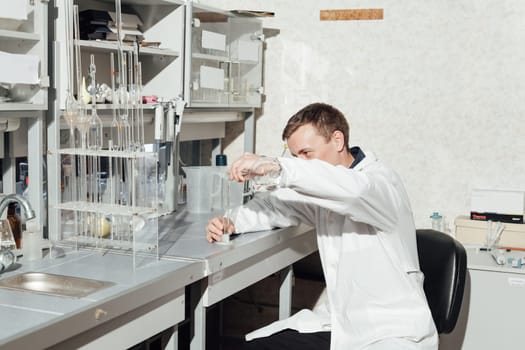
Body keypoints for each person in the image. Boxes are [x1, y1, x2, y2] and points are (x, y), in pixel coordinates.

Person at [206, 103, 438, 350]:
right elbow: (278, 206)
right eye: (296, 157)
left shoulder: (380, 183)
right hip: (340, 327)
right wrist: (232, 221)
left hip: (392, 334)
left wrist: (279, 167)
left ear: (337, 140)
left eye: (307, 153)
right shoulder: (322, 190)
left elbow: (353, 192)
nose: (302, 163)